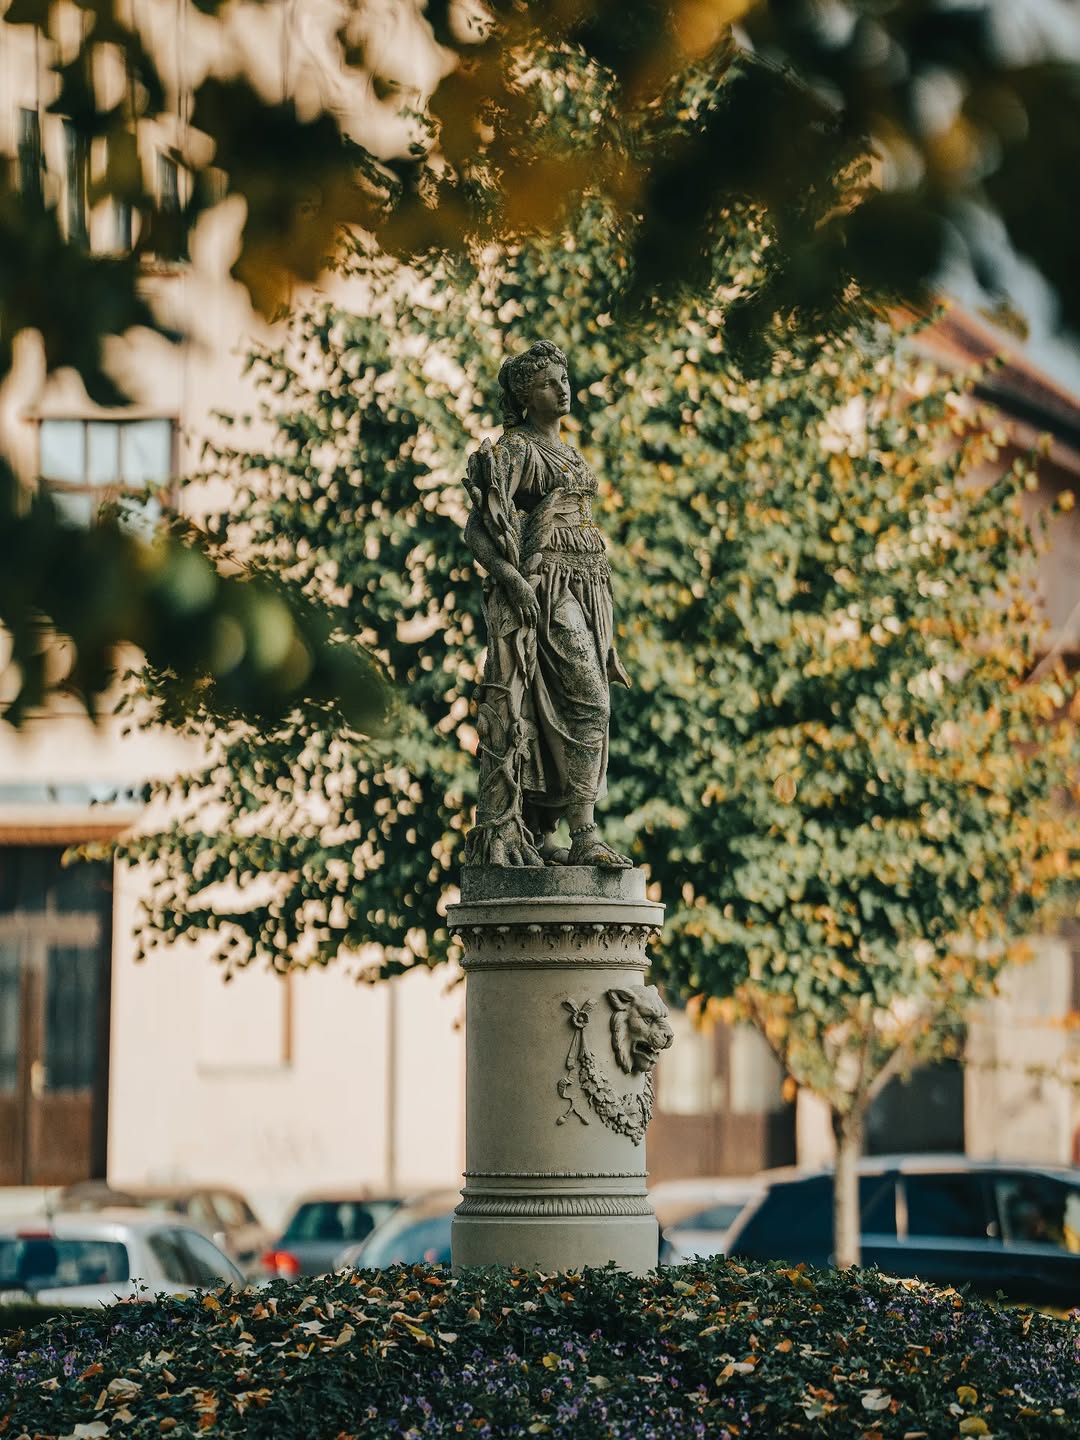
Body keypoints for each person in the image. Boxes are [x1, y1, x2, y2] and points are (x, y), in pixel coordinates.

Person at [463, 340, 631, 867]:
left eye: (564, 378)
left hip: (589, 585)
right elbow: (476, 530)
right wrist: (513, 580)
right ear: (524, 395)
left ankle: (544, 831)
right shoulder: (518, 448)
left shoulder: (570, 451)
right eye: (547, 383)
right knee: (588, 700)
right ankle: (585, 832)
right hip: (549, 585)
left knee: (575, 699)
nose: (562, 388)